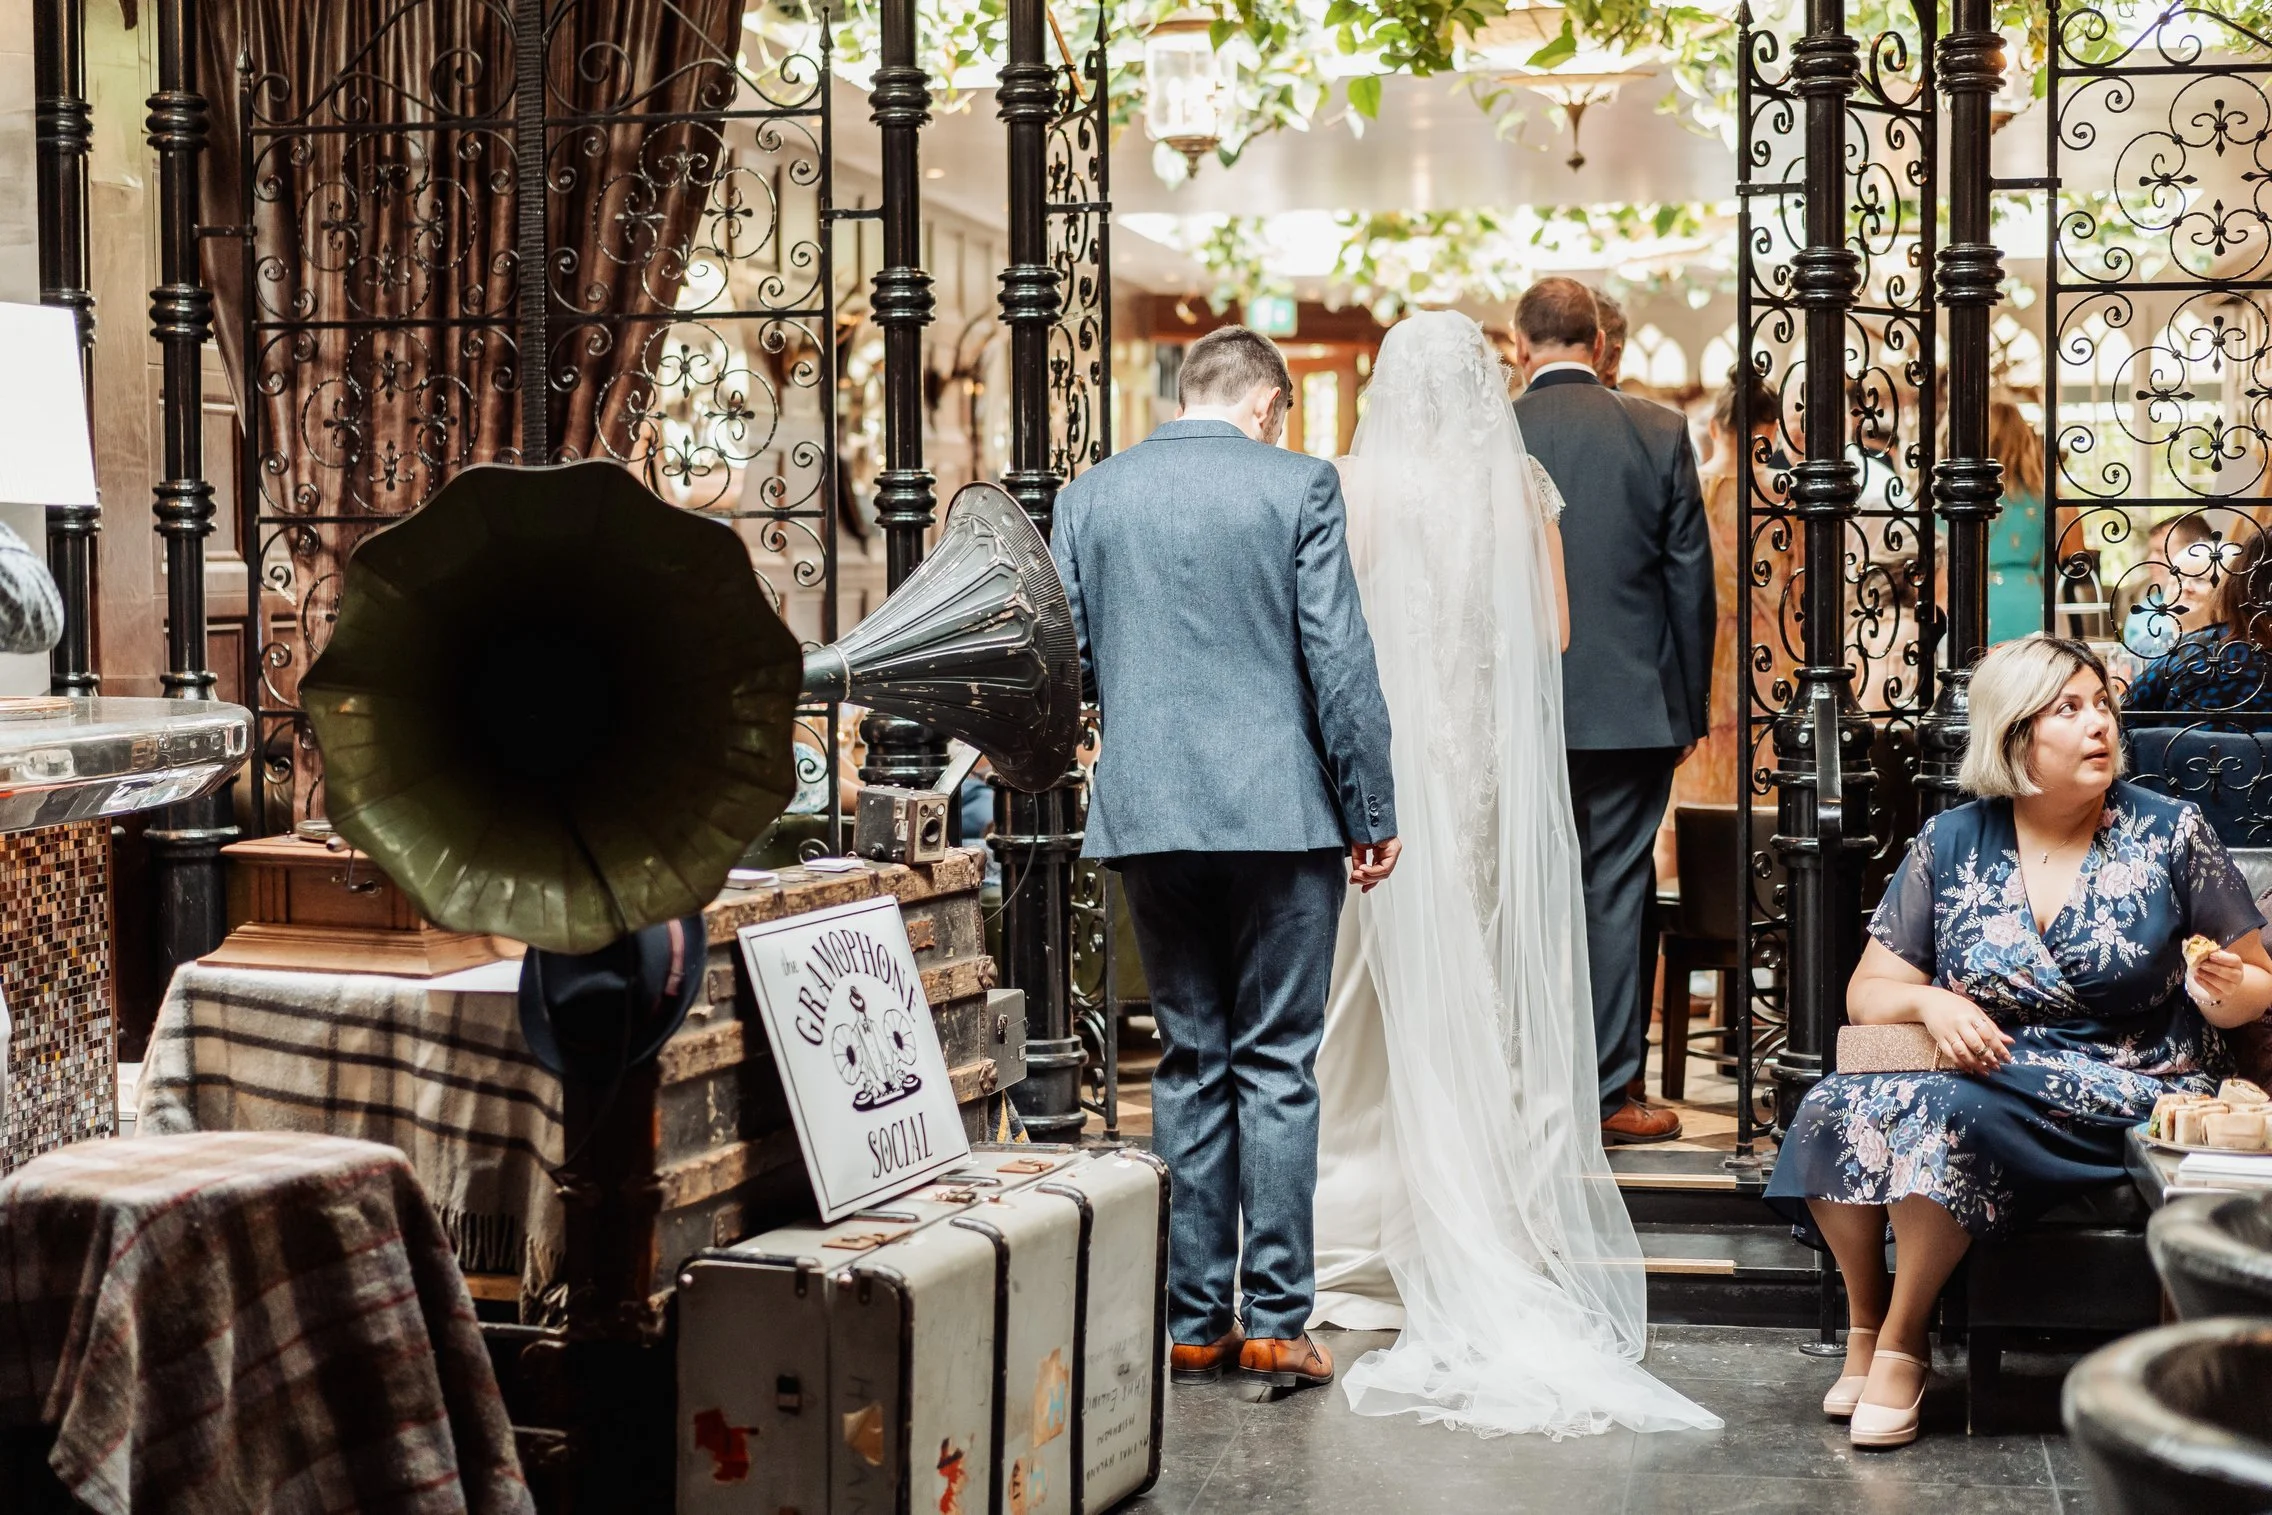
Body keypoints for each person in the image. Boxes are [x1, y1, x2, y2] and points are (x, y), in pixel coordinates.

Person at [1308, 309, 1720, 1439]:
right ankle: (1488, 1177)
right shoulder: (1516, 483)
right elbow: (1548, 631)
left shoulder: (1355, 482)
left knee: (1373, 966)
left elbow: (1332, 627)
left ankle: (1355, 1191)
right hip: (1484, 760)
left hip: (1391, 757)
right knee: (1484, 951)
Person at [1766, 635, 2272, 1451]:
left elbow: (2255, 980)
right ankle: (1865, 1321)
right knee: (1831, 1100)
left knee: (1944, 1113)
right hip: (1985, 1067)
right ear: (2013, 734)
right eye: (2067, 709)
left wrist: (2226, 989)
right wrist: (1931, 1004)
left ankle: (1902, 1342)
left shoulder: (2171, 832)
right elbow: (1868, 998)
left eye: (2102, 703)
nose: (2099, 723)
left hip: (2124, 1078)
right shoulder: (1950, 841)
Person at [1050, 324, 1399, 1396]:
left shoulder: (1091, 496)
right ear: (1266, 405)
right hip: (1279, 816)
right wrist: (1369, 804)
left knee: (1193, 1059)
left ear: (1186, 393)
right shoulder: (1297, 486)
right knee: (1278, 1064)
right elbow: (1336, 657)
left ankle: (1193, 1321)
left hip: (1150, 812)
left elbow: (1068, 659)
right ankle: (1278, 1323)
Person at [1512, 278, 1716, 1144]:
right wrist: (1686, 709)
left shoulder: (1491, 436)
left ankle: (1519, 1080)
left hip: (1513, 712)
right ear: (1599, 343)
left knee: (1520, 888)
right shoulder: (1658, 430)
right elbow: (1690, 587)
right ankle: (1608, 1089)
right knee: (1615, 888)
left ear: (1519, 347)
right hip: (1633, 709)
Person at [2126, 530, 2272, 721]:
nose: (2185, 587)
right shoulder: (2163, 649)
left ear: (2230, 587)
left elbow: (2124, 715)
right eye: (2177, 579)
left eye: (2199, 579)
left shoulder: (2187, 655)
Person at [1984, 398, 2049, 644]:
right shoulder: (2042, 498)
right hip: (2027, 593)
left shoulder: (1959, 495)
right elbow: (2049, 565)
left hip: (1978, 594)